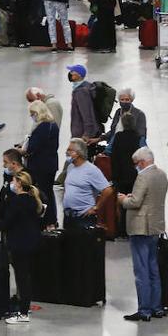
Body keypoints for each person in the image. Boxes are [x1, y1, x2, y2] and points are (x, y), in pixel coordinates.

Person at [117, 147, 167, 321]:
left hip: (140, 228)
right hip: (155, 227)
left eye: (136, 163)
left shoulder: (143, 176)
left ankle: (144, 309)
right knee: (153, 268)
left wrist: (123, 199)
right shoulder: (161, 175)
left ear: (143, 162)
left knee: (141, 271)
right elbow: (150, 198)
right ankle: (157, 307)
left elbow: (136, 202)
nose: (135, 167)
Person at [0, 171, 44, 324]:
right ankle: (25, 309)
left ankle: (23, 313)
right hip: (32, 242)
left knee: (22, 278)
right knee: (26, 276)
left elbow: (8, 223)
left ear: (19, 183)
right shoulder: (33, 200)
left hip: (20, 243)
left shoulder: (17, 202)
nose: (12, 183)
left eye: (14, 180)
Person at [59, 138, 112, 230]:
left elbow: (107, 190)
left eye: (70, 150)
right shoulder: (70, 167)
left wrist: (96, 207)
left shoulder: (91, 170)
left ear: (78, 153)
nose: (67, 152)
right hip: (68, 216)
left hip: (83, 217)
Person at [23, 100, 60, 226]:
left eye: (32, 113)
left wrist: (22, 150)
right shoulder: (52, 125)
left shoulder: (42, 127)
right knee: (49, 192)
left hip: (40, 166)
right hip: (50, 164)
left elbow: (33, 147)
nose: (31, 116)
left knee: (42, 193)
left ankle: (45, 220)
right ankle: (52, 220)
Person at [66, 64, 102, 142]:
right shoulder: (86, 86)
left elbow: (86, 114)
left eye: (72, 72)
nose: (70, 73)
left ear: (78, 75)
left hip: (81, 135)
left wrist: (86, 135)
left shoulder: (81, 91)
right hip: (83, 133)